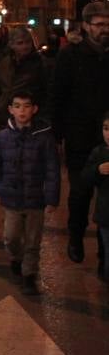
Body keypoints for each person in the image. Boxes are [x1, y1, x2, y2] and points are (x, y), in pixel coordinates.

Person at [53, 1, 109, 267]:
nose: (104, 30)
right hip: (80, 137)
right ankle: (75, 237)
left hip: (107, 138)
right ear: (86, 26)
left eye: (107, 25)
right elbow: (58, 96)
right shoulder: (70, 56)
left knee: (107, 195)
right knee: (80, 193)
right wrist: (58, 135)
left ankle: (103, 250)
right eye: (99, 25)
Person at [0, 91, 60, 295]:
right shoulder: (3, 137)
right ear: (10, 109)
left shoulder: (44, 137)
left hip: (35, 198)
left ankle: (29, 274)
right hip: (11, 198)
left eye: (26, 106)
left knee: (33, 239)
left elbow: (52, 169)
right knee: (11, 237)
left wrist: (51, 197)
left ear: (34, 109)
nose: (22, 110)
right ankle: (15, 259)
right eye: (17, 106)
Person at [78, 114, 109, 283]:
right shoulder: (99, 152)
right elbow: (85, 178)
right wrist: (97, 170)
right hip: (106, 216)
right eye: (106, 129)